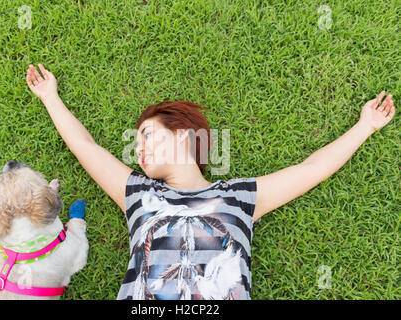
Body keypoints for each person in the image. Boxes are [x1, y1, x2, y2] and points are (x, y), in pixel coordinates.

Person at [26, 63, 395, 299]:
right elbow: (85, 147)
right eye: (137, 143)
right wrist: (50, 97)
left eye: (148, 136)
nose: (139, 150)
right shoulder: (137, 193)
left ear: (182, 136)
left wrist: (365, 126)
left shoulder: (240, 197)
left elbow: (312, 167)